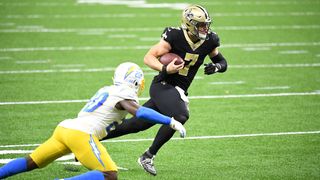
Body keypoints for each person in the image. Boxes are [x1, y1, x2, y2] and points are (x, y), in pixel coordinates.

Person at [0, 62, 186, 180]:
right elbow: (140, 112)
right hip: (81, 134)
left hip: (65, 128)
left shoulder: (108, 88)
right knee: (109, 174)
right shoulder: (124, 93)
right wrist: (169, 121)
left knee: (31, 161)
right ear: (136, 82)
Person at [102, 4, 228, 176]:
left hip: (177, 90)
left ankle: (93, 138)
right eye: (201, 25)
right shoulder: (175, 35)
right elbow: (148, 57)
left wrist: (216, 67)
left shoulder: (210, 40)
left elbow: (223, 62)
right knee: (181, 115)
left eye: (206, 24)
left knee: (136, 124)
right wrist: (164, 69)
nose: (205, 28)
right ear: (189, 24)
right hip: (162, 85)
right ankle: (148, 155)